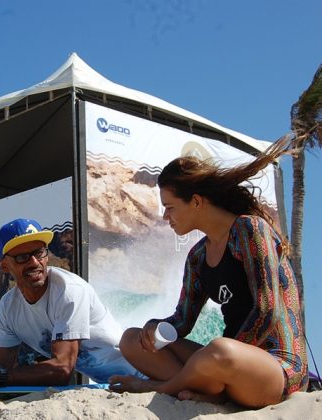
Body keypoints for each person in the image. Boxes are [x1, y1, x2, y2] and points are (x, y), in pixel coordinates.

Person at [109, 139, 309, 408]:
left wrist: (220, 360)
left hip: (277, 368)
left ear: (196, 202)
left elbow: (268, 311)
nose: (166, 217)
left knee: (219, 351)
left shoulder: (250, 229)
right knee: (132, 340)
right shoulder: (197, 256)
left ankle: (160, 387)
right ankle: (211, 388)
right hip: (226, 363)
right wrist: (155, 327)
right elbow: (183, 320)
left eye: (169, 207)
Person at [0, 218, 138, 401]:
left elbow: (61, 369)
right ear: (5, 265)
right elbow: (0, 368)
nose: (35, 262)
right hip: (113, 385)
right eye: (22, 257)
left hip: (143, 376)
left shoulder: (69, 291)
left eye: (39, 252)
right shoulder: (7, 309)